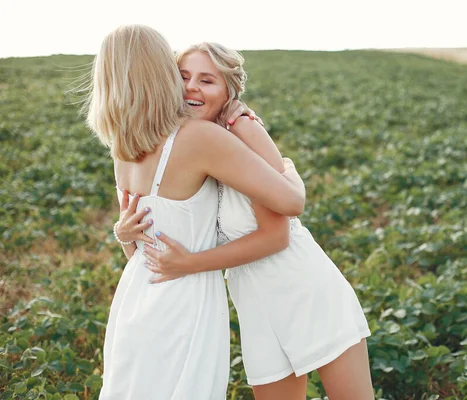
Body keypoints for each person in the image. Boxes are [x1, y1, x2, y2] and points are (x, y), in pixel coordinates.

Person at [117, 42, 373, 400]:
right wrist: (123, 231)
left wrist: (190, 264)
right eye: (184, 77)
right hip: (253, 302)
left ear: (228, 92)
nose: (191, 87)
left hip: (302, 287)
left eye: (207, 81)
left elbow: (277, 235)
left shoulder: (243, 129)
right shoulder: (192, 144)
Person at [85, 25, 305, 400]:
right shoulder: (199, 138)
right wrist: (289, 169)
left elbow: (138, 248)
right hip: (185, 302)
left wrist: (122, 233)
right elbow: (290, 203)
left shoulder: (121, 149)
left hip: (136, 296)